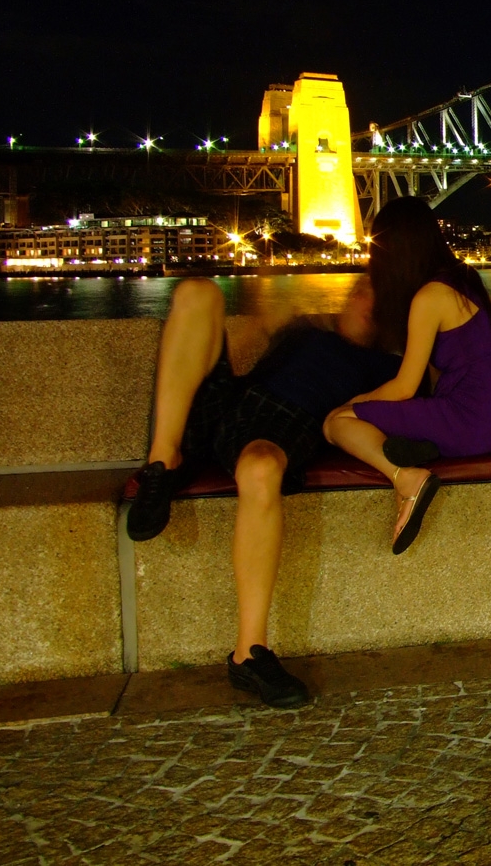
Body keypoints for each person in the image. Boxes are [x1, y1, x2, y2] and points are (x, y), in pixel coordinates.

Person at [126, 275, 402, 707]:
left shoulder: (389, 369)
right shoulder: (305, 330)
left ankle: (249, 654)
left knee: (262, 468)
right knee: (197, 292)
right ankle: (163, 463)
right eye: (361, 290)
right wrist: (260, 324)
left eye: (378, 298)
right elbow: (205, 361)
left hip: (279, 429)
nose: (364, 300)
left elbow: (430, 408)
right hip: (229, 405)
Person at [323, 198, 491, 555]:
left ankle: (406, 477)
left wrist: (351, 404)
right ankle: (416, 449)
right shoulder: (466, 281)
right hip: (487, 426)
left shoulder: (429, 297)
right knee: (362, 419)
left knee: (335, 424)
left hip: (466, 425)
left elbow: (403, 387)